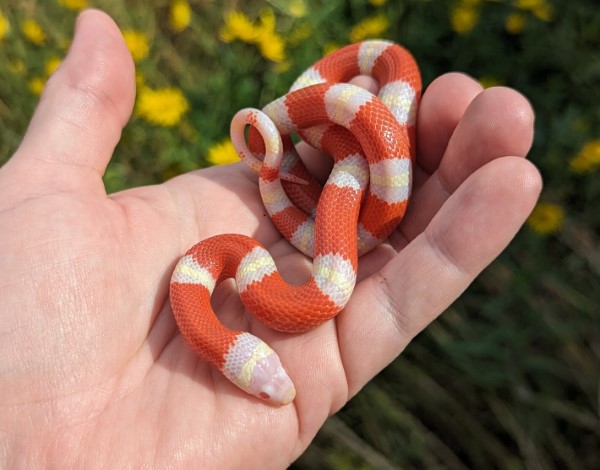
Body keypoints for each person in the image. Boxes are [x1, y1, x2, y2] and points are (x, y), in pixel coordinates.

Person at [0, 9, 541, 468]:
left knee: (356, 156)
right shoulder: (229, 274)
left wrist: (299, 154)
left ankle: (305, 123)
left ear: (234, 351)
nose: (277, 388)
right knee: (354, 163)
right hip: (325, 178)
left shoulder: (222, 263)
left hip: (322, 152)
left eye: (263, 382)